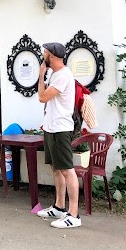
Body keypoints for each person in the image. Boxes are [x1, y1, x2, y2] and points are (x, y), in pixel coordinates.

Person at [36, 42, 81, 228]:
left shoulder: (63, 76)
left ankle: (74, 214)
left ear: (51, 56)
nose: (43, 55)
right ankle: (59, 206)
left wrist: (40, 76)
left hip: (61, 128)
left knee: (67, 169)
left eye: (45, 52)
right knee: (56, 168)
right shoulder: (55, 74)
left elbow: (42, 97)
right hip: (51, 127)